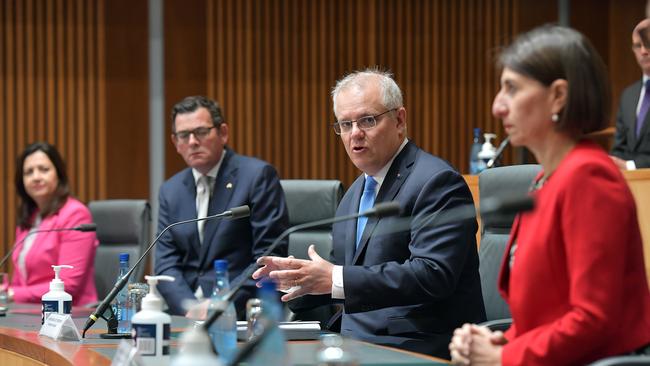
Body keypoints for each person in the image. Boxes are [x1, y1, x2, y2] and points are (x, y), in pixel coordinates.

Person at [449, 25, 650, 366]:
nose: (498, 105)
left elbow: (593, 319)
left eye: (511, 88)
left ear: (558, 96)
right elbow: (549, 314)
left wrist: (505, 356)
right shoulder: (547, 178)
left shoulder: (590, 179)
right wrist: (500, 339)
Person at [254, 69, 486, 358]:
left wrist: (335, 278)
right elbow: (349, 278)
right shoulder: (354, 194)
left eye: (367, 120)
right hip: (351, 342)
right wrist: (301, 281)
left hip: (415, 346)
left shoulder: (436, 182)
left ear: (399, 120)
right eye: (345, 124)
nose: (355, 134)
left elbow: (433, 274)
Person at [154, 95, 289, 317]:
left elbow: (268, 256)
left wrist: (219, 305)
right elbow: (166, 263)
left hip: (241, 311)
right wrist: (189, 308)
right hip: (185, 315)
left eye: (201, 132)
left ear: (223, 133)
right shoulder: (171, 190)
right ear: (175, 143)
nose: (192, 142)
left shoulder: (256, 177)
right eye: (183, 135)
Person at [10, 142, 98, 305]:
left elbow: (67, 284)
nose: (36, 177)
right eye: (29, 172)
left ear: (59, 174)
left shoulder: (75, 214)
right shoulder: (29, 218)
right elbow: (19, 280)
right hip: (28, 311)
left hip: (71, 314)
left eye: (44, 169)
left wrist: (11, 293)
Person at [611, 18, 650, 169]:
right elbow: (618, 149)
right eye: (637, 46)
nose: (643, 51)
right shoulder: (628, 95)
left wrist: (630, 165)